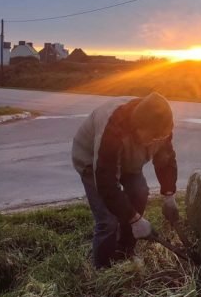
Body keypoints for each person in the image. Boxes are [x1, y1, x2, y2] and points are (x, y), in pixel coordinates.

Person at [72, 92, 180, 268]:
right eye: (150, 137)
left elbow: (165, 160)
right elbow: (106, 181)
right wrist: (135, 219)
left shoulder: (162, 127)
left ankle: (125, 252)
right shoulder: (114, 126)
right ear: (136, 127)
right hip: (93, 161)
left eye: (157, 138)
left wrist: (169, 195)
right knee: (108, 221)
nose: (153, 142)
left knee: (139, 192)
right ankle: (103, 269)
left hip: (128, 161)